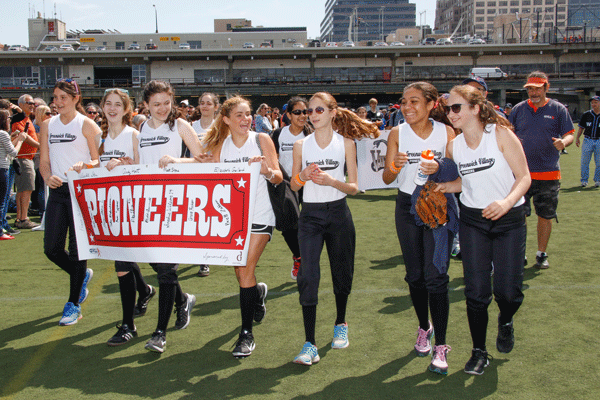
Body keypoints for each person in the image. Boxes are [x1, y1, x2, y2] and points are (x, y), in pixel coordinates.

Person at [437, 84, 531, 375]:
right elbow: (467, 182)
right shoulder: (454, 146)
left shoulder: (500, 134)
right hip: (473, 221)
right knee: (476, 293)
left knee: (508, 292)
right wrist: (442, 187)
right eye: (448, 109)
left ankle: (506, 319)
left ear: (475, 109)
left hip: (509, 219)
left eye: (456, 107)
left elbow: (524, 177)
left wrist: (505, 202)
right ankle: (479, 351)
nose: (451, 113)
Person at [290, 92, 379, 366]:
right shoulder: (300, 145)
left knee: (342, 272)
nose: (312, 115)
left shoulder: (347, 144)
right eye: (309, 111)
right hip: (311, 217)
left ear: (332, 112)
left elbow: (354, 187)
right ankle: (309, 343)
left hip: (339, 213)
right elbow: (293, 186)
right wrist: (302, 177)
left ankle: (341, 322)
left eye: (318, 110)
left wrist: (331, 182)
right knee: (308, 275)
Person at [192, 95, 283, 358]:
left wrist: (266, 170)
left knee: (244, 270)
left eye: (249, 114)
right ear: (227, 119)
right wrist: (172, 161)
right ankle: (257, 293)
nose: (246, 119)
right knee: (242, 272)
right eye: (240, 115)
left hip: (261, 214)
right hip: (233, 219)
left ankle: (246, 334)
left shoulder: (261, 139)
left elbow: (277, 177)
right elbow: (209, 173)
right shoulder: (221, 145)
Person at [382, 82, 456, 375]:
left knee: (436, 276)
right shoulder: (396, 133)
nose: (407, 107)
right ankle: (424, 327)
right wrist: (395, 167)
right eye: (404, 102)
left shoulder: (446, 132)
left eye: (414, 101)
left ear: (431, 104)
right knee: (415, 276)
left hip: (436, 206)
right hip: (405, 207)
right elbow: (387, 177)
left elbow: (454, 170)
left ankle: (442, 346)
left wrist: (438, 168)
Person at [126, 80, 201, 353]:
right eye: (155, 104)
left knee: (166, 270)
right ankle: (183, 300)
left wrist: (178, 161)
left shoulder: (180, 125)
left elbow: (204, 158)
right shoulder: (141, 127)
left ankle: (160, 333)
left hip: (174, 205)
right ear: (145, 104)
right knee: (158, 265)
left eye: (166, 102)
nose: (162, 108)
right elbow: (139, 163)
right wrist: (122, 164)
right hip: (147, 204)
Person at [96, 88, 156, 346]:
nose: (112, 108)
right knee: (124, 261)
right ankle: (144, 292)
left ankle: (129, 325)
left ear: (126, 109)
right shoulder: (100, 137)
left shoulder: (134, 134)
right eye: (107, 104)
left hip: (132, 207)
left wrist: (129, 164)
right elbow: (95, 167)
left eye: (117, 104)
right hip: (110, 208)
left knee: (129, 263)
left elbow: (145, 169)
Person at [39, 79, 100, 325]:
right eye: (55, 97)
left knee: (77, 250)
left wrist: (85, 165)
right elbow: (44, 160)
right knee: (51, 248)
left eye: (64, 97)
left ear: (76, 99)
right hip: (57, 191)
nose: (58, 102)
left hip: (80, 191)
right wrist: (47, 177)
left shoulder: (87, 124)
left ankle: (73, 304)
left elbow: (99, 160)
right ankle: (81, 275)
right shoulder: (47, 125)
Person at [508, 71, 574, 269]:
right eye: (530, 89)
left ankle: (541, 253)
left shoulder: (558, 109)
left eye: (537, 88)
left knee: (545, 216)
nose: (533, 93)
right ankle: (521, 254)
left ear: (546, 87)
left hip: (548, 174)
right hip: (521, 174)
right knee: (520, 216)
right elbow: (509, 134)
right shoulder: (519, 109)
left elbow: (569, 134)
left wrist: (564, 142)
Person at [270, 96, 312, 280]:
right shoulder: (278, 134)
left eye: (305, 112)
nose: (302, 115)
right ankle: (298, 256)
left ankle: (309, 258)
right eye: (297, 112)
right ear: (288, 114)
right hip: (286, 185)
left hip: (309, 184)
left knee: (310, 223)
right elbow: (272, 158)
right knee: (288, 226)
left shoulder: (312, 134)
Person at [190, 92, 220, 277]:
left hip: (216, 176)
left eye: (209, 103)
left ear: (216, 106)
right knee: (197, 217)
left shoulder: (222, 126)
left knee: (211, 217)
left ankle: (209, 255)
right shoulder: (191, 126)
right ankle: (203, 258)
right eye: (202, 103)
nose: (205, 106)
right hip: (195, 176)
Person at [11, 94, 40, 229]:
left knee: (24, 190)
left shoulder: (26, 119)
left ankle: (21, 218)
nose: (32, 105)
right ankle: (23, 218)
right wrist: (41, 146)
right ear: (21, 104)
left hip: (26, 157)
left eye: (33, 103)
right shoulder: (19, 120)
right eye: (29, 103)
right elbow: (24, 136)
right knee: (26, 189)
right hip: (23, 158)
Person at [0, 110, 27, 239]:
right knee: (1, 201)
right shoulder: (3, 133)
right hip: (2, 169)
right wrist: (20, 140)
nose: (10, 120)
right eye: (8, 118)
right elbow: (13, 152)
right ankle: (0, 231)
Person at [575, 96, 600, 187]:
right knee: (585, 161)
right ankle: (584, 180)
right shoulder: (586, 114)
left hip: (599, 140)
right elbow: (581, 127)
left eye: (595, 102)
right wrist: (577, 138)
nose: (593, 104)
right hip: (588, 140)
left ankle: (598, 180)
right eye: (592, 102)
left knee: (599, 162)